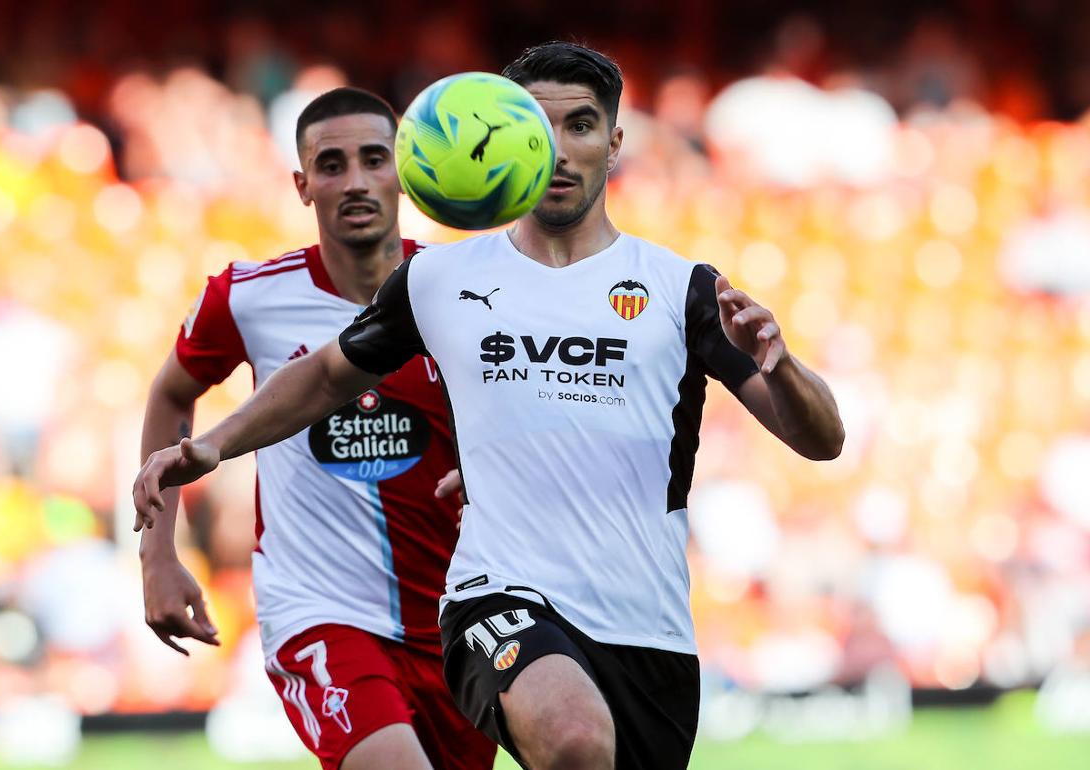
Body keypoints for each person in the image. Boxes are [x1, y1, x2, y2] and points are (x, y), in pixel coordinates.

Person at [134, 43, 844, 770]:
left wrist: (784, 370)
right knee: (572, 739)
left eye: (582, 126)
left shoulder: (681, 288)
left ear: (615, 143)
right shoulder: (439, 279)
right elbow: (324, 377)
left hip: (646, 626)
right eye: (540, 129)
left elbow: (821, 441)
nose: (561, 152)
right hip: (496, 597)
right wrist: (216, 445)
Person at [135, 87, 495, 770]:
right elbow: (170, 395)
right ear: (303, 186)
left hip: (452, 616)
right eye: (332, 165)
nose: (355, 181)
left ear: (407, 170)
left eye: (374, 159)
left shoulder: (463, 292)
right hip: (320, 612)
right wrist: (158, 558)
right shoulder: (247, 297)